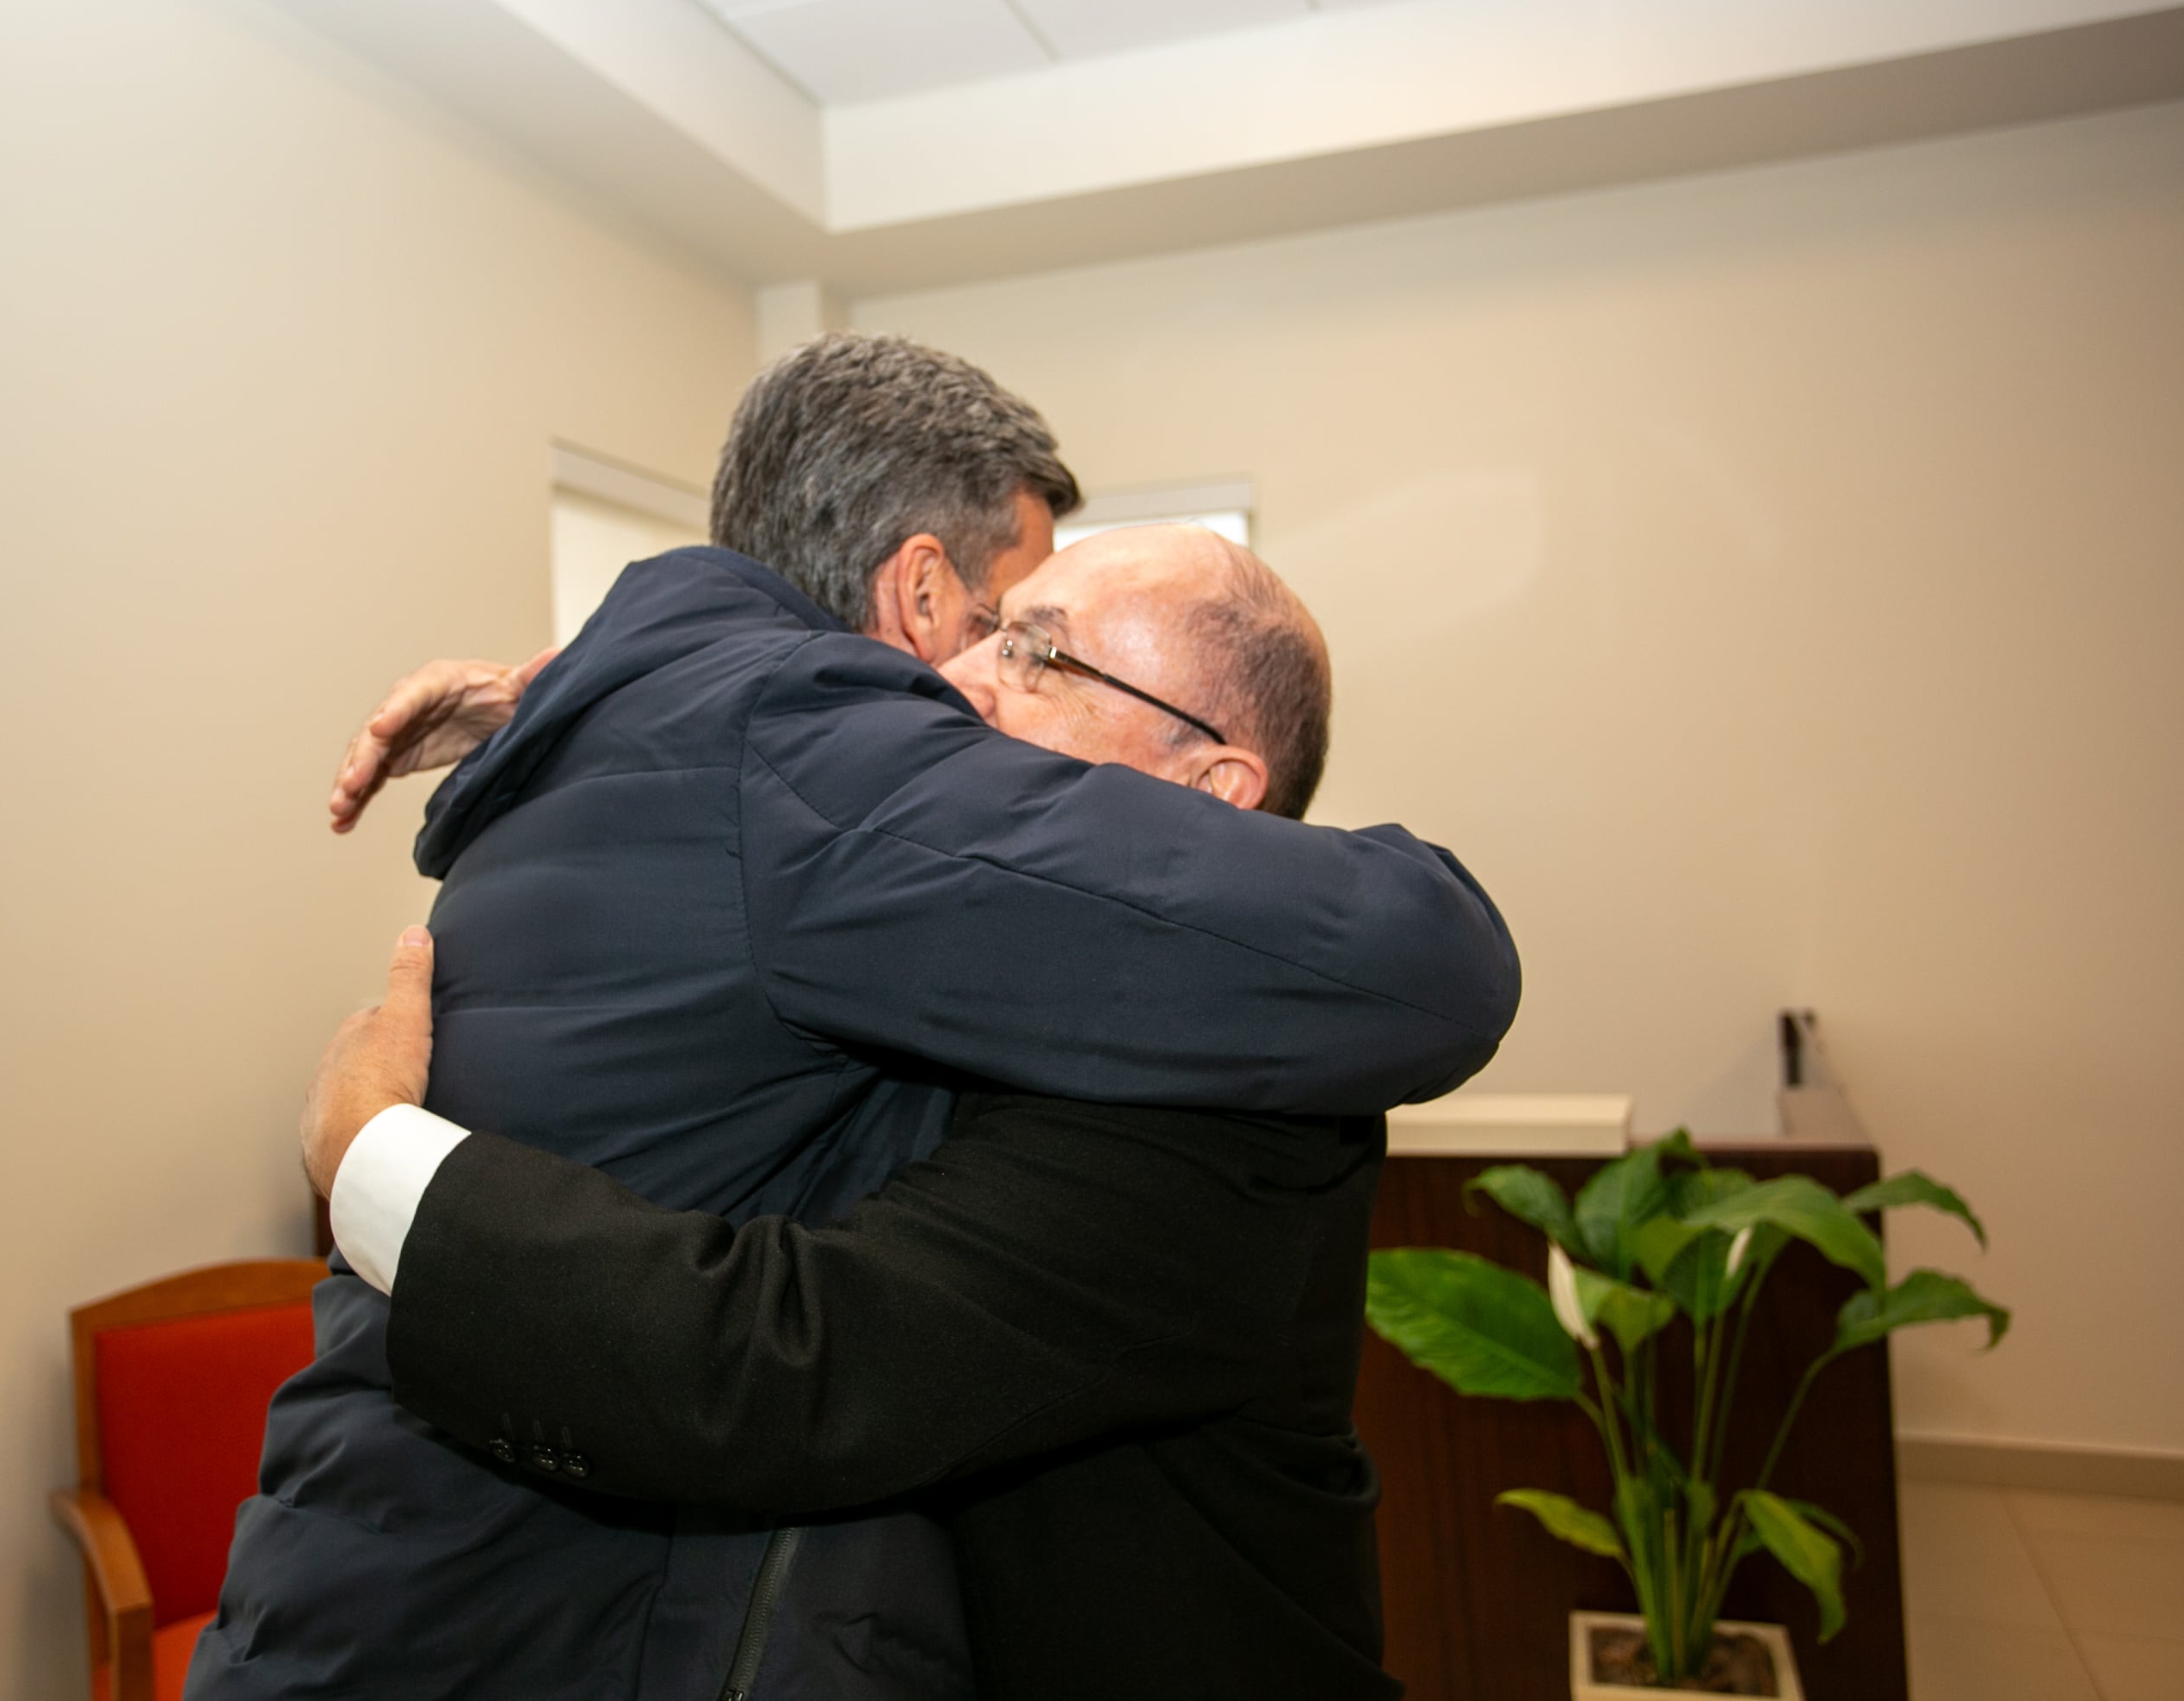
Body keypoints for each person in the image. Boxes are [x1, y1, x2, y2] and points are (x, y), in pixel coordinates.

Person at [189, 336, 1518, 1700]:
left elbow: (778, 1366)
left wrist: (369, 1158)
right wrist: (626, 705)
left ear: (1215, 787)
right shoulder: (887, 882)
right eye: (999, 627)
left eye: (1042, 650)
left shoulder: (1231, 1105)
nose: (970, 681)